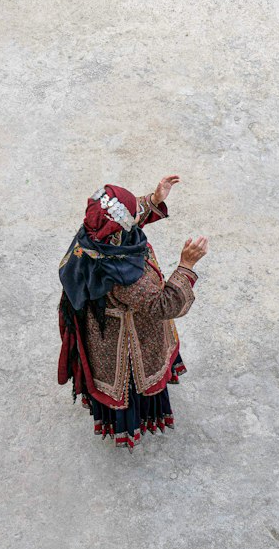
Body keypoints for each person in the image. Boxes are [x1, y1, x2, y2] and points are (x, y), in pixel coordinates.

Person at [58, 178, 208, 450]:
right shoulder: (125, 277)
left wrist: (154, 199)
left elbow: (125, 215)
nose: (135, 216)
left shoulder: (97, 237)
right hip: (129, 339)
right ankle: (136, 419)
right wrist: (186, 265)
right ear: (118, 231)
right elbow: (166, 304)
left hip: (102, 331)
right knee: (131, 383)